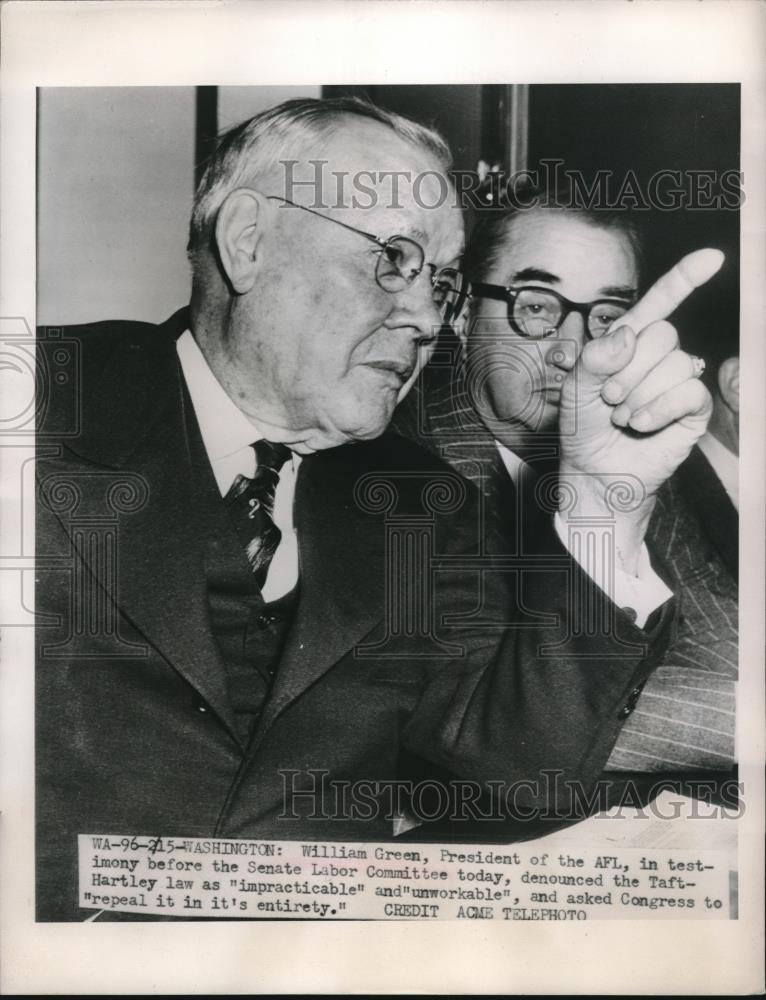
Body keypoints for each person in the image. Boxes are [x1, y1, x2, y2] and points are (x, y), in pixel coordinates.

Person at [36, 98, 716, 920]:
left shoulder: (419, 503)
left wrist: (607, 498)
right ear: (248, 241)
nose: (428, 317)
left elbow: (510, 777)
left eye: (441, 281)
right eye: (394, 258)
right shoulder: (39, 406)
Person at [394, 191, 736, 772]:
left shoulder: (630, 444)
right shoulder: (395, 461)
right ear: (459, 311)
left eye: (607, 317)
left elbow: (721, 637)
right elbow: (496, 716)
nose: (573, 351)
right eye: (536, 306)